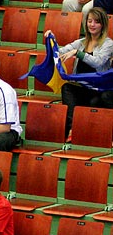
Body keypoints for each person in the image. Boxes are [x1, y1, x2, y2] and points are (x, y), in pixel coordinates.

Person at [45, 8, 113, 139]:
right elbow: (59, 52)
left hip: (99, 89)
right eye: (89, 21)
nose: (92, 25)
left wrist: (78, 53)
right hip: (82, 88)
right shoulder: (81, 42)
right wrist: (50, 39)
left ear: (103, 24)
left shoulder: (108, 44)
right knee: (67, 87)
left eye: (96, 22)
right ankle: (72, 129)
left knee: (97, 101)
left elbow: (98, 62)